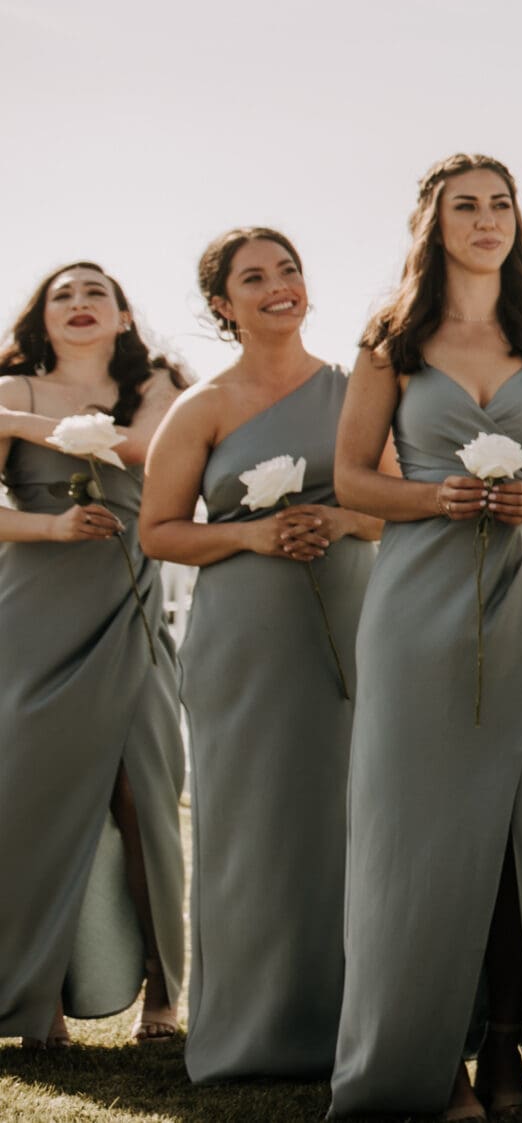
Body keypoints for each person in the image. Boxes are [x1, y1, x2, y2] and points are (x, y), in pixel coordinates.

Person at [330, 154, 522, 1121]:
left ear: (519, 219)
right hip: (415, 605)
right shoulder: (391, 338)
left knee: (519, 829)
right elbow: (353, 477)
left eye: (500, 204)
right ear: (433, 223)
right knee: (417, 835)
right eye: (464, 206)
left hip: (520, 598)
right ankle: (421, 1055)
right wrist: (427, 496)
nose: (486, 220)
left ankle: (501, 1051)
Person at [138, 227, 379, 1082]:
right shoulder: (200, 406)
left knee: (353, 823)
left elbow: (398, 504)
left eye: (289, 270)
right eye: (255, 277)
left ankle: (353, 1026)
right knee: (253, 826)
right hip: (245, 641)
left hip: (354, 624)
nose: (280, 286)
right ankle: (247, 1033)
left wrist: (346, 520)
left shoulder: (357, 391)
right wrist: (252, 534)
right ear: (221, 303)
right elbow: (158, 530)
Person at [0, 262, 189, 1051]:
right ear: (41, 317)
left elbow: (154, 452)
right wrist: (49, 526)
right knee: (31, 802)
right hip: (31, 614)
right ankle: (34, 994)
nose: (79, 304)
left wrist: (26, 424)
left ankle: (160, 987)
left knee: (140, 792)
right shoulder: (11, 384)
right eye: (62, 295)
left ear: (121, 315)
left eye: (95, 294)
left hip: (126, 603)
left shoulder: (158, 382)